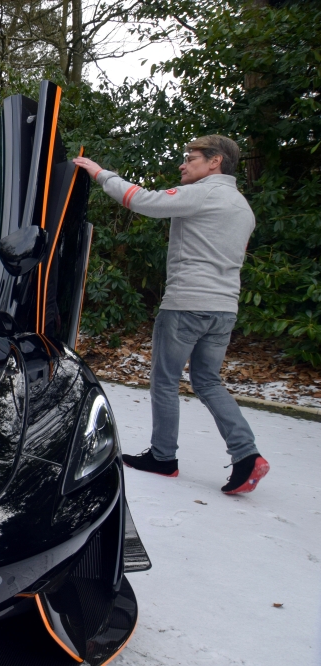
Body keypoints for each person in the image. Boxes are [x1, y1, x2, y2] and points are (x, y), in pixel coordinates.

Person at [72, 135, 269, 495]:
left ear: (215, 162)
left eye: (190, 158)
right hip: (224, 308)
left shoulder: (205, 193)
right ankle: (246, 454)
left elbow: (141, 201)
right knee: (208, 381)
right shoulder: (243, 207)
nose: (183, 164)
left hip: (186, 304)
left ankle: (163, 458)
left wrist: (101, 173)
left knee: (165, 380)